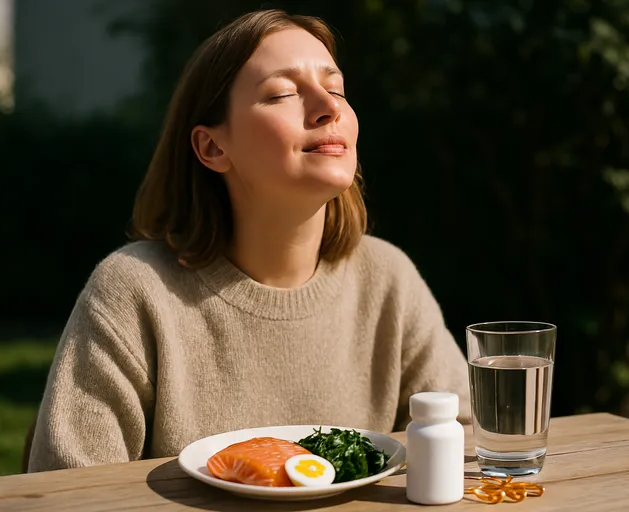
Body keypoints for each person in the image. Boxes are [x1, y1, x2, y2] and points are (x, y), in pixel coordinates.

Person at [27, 9, 470, 473]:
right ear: (213, 148)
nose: (329, 107)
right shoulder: (133, 292)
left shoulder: (388, 279)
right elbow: (67, 488)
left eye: (336, 88)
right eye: (282, 93)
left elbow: (464, 448)